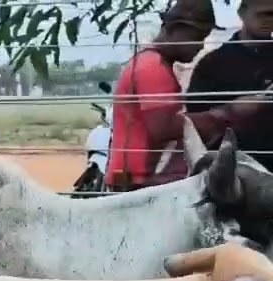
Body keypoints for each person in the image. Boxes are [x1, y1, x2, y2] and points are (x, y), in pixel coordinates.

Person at [107, 0, 254, 189]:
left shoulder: (151, 63)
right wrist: (229, 113)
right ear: (175, 29)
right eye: (198, 38)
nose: (201, 46)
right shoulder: (152, 68)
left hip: (136, 179)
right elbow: (165, 128)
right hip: (138, 182)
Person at [185, 0, 273, 171]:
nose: (269, 20)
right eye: (263, 14)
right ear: (242, 13)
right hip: (230, 166)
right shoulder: (213, 63)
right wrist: (232, 111)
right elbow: (194, 122)